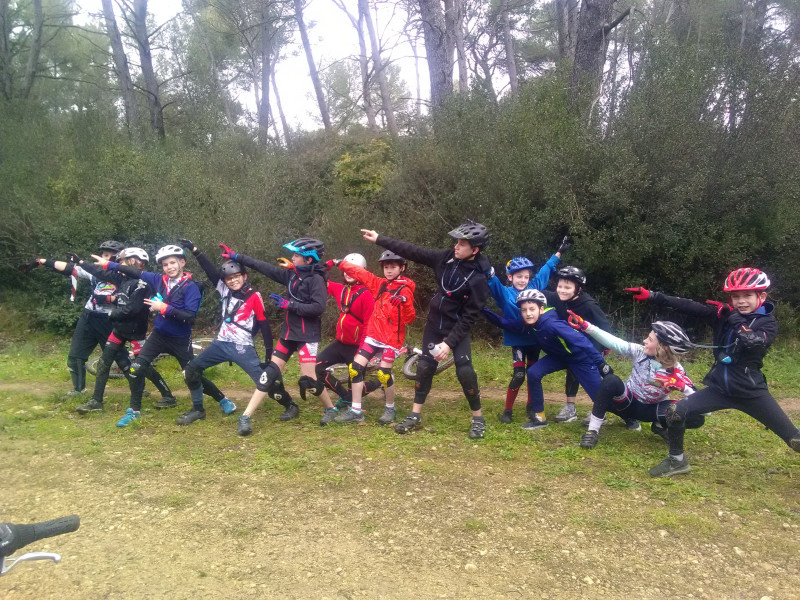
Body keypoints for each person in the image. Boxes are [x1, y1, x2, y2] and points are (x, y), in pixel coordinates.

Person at [625, 268, 800, 477]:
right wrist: (653, 296)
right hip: (720, 389)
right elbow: (690, 306)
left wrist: (734, 317)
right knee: (676, 411)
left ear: (761, 296)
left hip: (750, 391)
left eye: (747, 295)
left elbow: (752, 341)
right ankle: (677, 461)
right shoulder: (724, 315)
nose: (741, 301)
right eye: (736, 296)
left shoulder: (767, 323)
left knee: (794, 440)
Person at [361, 220, 492, 440]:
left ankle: (478, 418)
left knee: (465, 371)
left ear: (475, 250)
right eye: (457, 242)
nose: (456, 246)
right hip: (434, 324)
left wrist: (449, 343)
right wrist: (379, 239)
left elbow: (470, 316)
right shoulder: (445, 258)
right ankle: (415, 415)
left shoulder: (479, 278)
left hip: (456, 328)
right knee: (424, 368)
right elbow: (414, 251)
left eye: (462, 244)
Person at [92, 244, 229, 427]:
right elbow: (134, 271)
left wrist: (165, 308)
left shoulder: (191, 288)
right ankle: (134, 411)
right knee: (135, 369)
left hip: (180, 339)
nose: (169, 267)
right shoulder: (159, 280)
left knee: (192, 375)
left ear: (182, 263)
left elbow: (189, 317)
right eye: (165, 265)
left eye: (172, 263)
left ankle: (219, 400)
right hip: (158, 336)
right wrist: (108, 265)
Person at [220, 238, 327, 436]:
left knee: (309, 380)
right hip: (289, 334)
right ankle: (246, 416)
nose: (292, 258)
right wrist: (237, 257)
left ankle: (330, 408)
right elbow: (263, 267)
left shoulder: (317, 280)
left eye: (296, 255)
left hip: (307, 335)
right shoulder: (292, 275)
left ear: (309, 260)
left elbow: (319, 307)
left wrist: (290, 305)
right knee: (267, 375)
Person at [171, 239, 274, 425]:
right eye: (229, 278)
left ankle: (288, 403)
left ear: (244, 276)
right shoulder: (224, 290)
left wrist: (268, 354)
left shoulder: (254, 296)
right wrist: (195, 250)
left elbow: (264, 325)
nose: (233, 280)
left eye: (237, 276)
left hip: (242, 347)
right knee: (191, 370)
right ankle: (198, 410)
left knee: (265, 381)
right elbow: (210, 270)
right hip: (220, 344)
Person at [566, 312, 704, 449]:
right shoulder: (640, 351)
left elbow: (703, 407)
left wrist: (683, 387)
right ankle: (592, 431)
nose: (645, 341)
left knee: (696, 416)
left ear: (663, 348)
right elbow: (615, 343)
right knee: (611, 380)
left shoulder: (677, 370)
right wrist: (586, 326)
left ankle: (659, 426)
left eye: (650, 340)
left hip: (652, 411)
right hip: (628, 403)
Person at [483, 289, 612, 430]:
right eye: (524, 310)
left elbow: (581, 340)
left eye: (532, 309)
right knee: (533, 373)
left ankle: (627, 416)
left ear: (541, 309)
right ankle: (540, 418)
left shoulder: (551, 323)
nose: (528, 313)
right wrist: (483, 310)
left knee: (600, 397)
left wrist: (601, 363)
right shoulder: (531, 324)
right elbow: (506, 323)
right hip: (558, 357)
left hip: (580, 358)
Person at [70, 248, 175, 415]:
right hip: (119, 329)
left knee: (143, 367)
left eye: (122, 261)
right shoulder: (122, 278)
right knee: (104, 363)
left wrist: (111, 314)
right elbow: (100, 272)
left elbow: (132, 309)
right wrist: (81, 262)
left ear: (134, 262)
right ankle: (96, 401)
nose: (119, 264)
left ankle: (167, 395)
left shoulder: (142, 284)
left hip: (136, 332)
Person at [32, 241, 132, 398]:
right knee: (75, 356)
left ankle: (138, 388)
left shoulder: (125, 276)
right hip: (88, 316)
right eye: (105, 255)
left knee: (121, 358)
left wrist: (110, 299)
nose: (107, 258)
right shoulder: (94, 272)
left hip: (109, 320)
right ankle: (79, 390)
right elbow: (70, 268)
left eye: (111, 256)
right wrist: (43, 261)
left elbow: (133, 300)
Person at [541, 267, 638, 429]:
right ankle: (570, 408)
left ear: (578, 289)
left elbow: (605, 326)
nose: (562, 290)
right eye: (559, 286)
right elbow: (540, 294)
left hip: (592, 347)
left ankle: (625, 416)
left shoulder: (588, 305)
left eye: (567, 287)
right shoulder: (558, 298)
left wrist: (602, 349)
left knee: (596, 382)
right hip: (574, 347)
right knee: (572, 372)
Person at [487, 238, 570, 424]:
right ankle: (507, 410)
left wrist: (558, 253)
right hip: (517, 341)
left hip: (534, 340)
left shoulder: (533, 287)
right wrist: (487, 270)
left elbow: (545, 271)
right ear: (510, 277)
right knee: (519, 375)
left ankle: (531, 405)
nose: (523, 280)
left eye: (525, 276)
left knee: (533, 373)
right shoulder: (505, 293)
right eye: (519, 276)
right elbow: (493, 282)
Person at [333, 250, 416, 424]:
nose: (389, 271)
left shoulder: (405, 289)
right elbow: (360, 273)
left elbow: (409, 319)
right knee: (355, 368)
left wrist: (404, 303)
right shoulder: (380, 283)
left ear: (402, 268)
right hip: (373, 335)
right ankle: (356, 411)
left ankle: (390, 408)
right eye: (386, 267)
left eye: (393, 267)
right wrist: (340, 263)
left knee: (383, 374)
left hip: (391, 339)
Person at [306, 253, 381, 425]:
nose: (348, 273)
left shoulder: (367, 294)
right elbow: (320, 279)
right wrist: (330, 263)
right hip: (340, 344)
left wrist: (362, 352)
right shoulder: (341, 289)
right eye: (346, 270)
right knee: (317, 367)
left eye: (353, 270)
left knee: (356, 384)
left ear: (361, 272)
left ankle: (380, 382)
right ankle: (346, 397)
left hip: (357, 347)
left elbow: (368, 325)